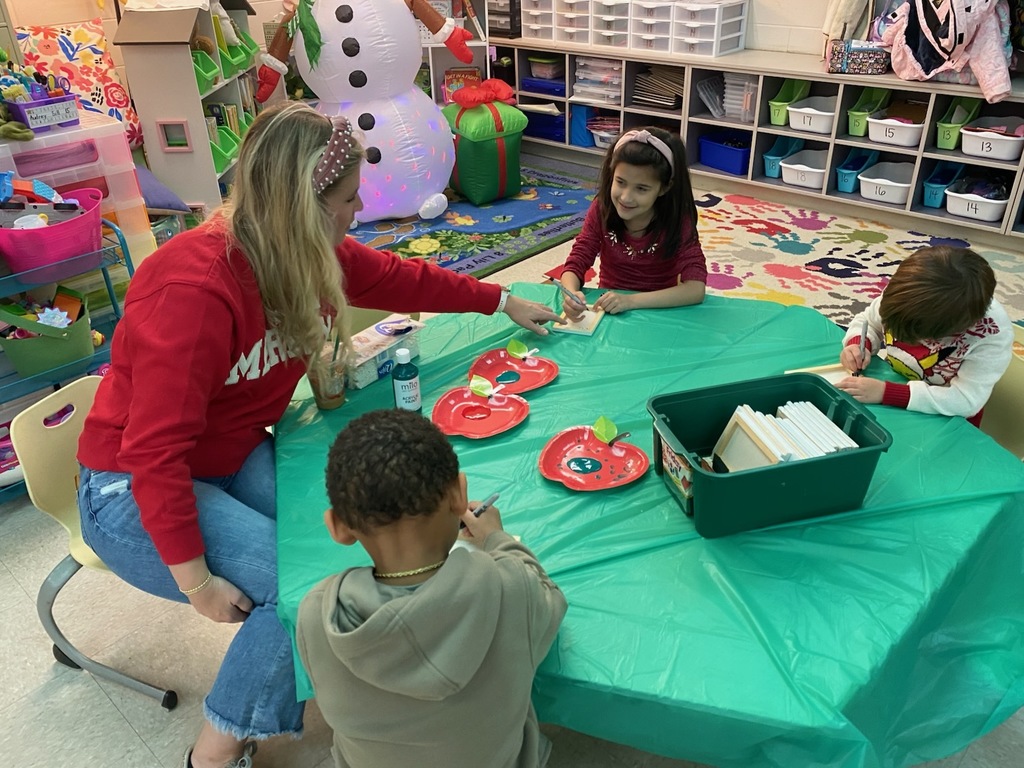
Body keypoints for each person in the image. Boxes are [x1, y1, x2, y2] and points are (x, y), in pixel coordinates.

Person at [75, 101, 561, 768]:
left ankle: (306, 680)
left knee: (339, 537)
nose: (356, 215)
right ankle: (213, 754)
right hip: (128, 484)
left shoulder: (307, 251)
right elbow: (155, 452)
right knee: (292, 586)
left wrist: (504, 300)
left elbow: (402, 276)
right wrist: (196, 583)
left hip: (228, 452)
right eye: (346, 201)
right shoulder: (191, 286)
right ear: (301, 206)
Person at [296, 409, 567, 768]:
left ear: (338, 527)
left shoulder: (317, 613)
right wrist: (497, 539)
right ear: (459, 494)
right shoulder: (512, 588)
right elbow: (550, 599)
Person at [836, 245, 1013, 425]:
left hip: (947, 417)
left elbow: (966, 401)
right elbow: (868, 321)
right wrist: (858, 344)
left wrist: (887, 393)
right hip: (894, 385)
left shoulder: (991, 335)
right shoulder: (906, 293)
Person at [557, 126, 707, 320]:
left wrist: (630, 301)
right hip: (611, 309)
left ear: (663, 188)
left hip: (660, 311)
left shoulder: (677, 219)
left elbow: (695, 288)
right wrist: (570, 294)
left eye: (642, 189)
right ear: (612, 174)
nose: (626, 198)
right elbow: (578, 259)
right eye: (620, 182)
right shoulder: (602, 208)